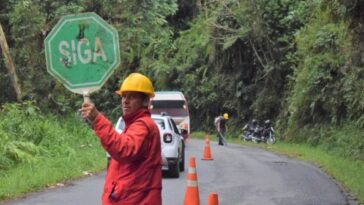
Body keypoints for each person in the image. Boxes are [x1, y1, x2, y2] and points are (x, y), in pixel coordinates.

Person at [80, 73, 162, 205]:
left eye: (132, 96)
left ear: (145, 101)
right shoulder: (134, 125)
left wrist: (97, 119)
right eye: (124, 96)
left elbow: (124, 149)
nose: (125, 101)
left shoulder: (143, 125)